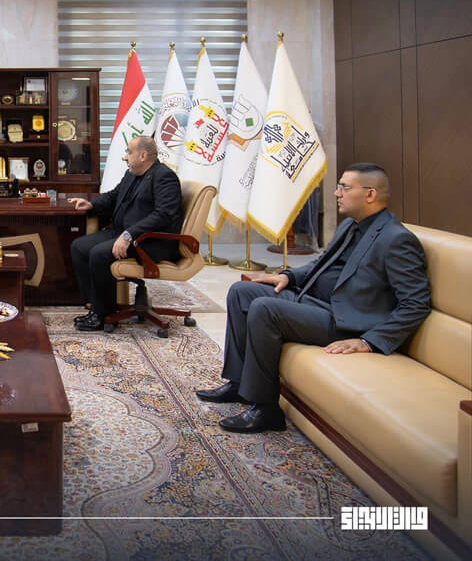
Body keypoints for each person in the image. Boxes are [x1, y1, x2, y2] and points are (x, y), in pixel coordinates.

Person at [196, 163, 431, 433]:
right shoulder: (350, 226)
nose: (336, 193)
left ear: (370, 194)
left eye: (344, 187)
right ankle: (239, 384)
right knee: (242, 292)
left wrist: (369, 341)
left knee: (265, 309)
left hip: (342, 320)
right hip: (313, 301)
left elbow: (416, 303)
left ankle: (266, 409)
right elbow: (320, 264)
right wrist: (288, 276)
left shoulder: (396, 239)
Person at [67, 136, 183, 331]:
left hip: (149, 242)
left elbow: (163, 215)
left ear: (143, 155)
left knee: (99, 254)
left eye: (129, 152)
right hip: (123, 233)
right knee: (79, 247)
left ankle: (102, 316)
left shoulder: (164, 177)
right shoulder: (132, 174)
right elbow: (114, 196)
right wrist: (91, 205)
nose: (125, 157)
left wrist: (129, 235)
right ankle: (94, 304)